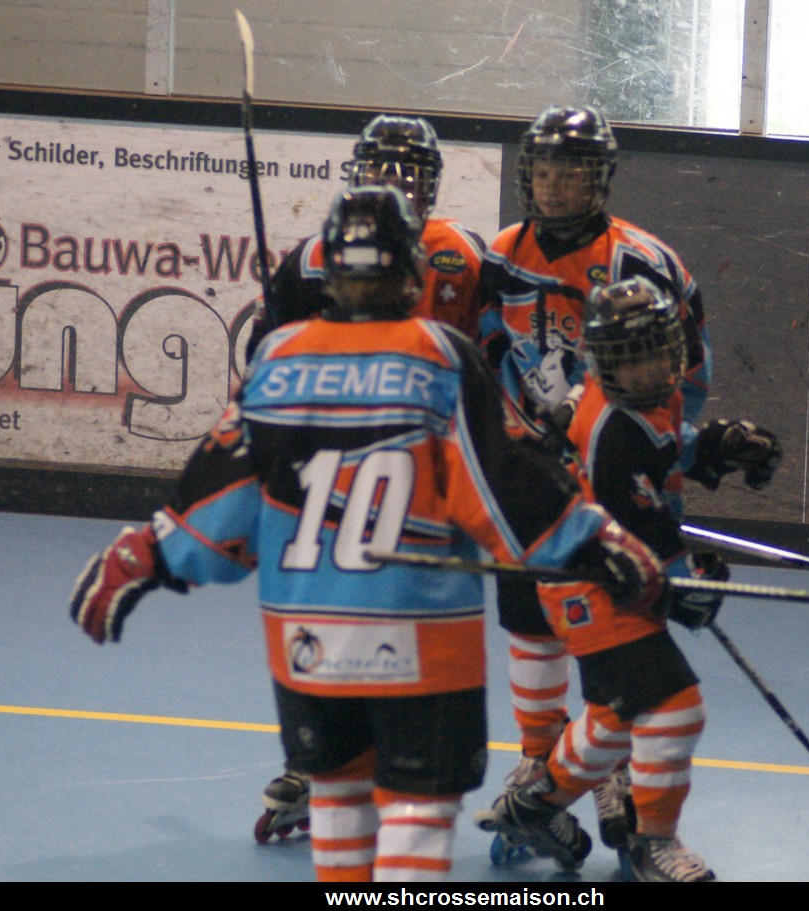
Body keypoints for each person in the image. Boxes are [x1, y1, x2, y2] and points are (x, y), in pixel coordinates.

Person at [68, 185, 669, 883]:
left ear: (331, 273)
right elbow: (500, 484)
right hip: (419, 639)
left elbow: (222, 496)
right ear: (411, 273)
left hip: (306, 642)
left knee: (338, 798)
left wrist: (144, 555)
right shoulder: (439, 353)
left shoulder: (280, 355)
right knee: (417, 809)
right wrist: (597, 544)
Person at [482, 276, 781, 881]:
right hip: (590, 584)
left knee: (615, 720)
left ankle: (533, 806)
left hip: (610, 573)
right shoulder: (608, 430)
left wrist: (720, 445)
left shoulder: (647, 399)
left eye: (658, 353)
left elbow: (669, 447)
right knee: (676, 708)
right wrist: (689, 584)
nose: (649, 370)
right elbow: (644, 533)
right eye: (631, 359)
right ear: (603, 362)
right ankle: (653, 844)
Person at [474, 104, 715, 847]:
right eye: (543, 171)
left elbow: (685, 371)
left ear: (600, 179)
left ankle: (610, 766)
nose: (554, 187)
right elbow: (485, 346)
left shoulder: (642, 263)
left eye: (571, 173)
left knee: (617, 628)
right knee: (529, 619)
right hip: (530, 474)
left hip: (607, 473)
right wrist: (510, 438)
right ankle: (540, 762)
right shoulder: (502, 253)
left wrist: (664, 448)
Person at [247, 113, 489, 841]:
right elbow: (264, 357)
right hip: (337, 467)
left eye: (409, 172)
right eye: (382, 169)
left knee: (403, 613)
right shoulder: (311, 258)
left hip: (426, 470)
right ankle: (332, 760)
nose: (394, 183)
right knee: (337, 604)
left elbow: (497, 351)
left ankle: (395, 764)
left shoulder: (463, 254)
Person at [248, 113, 486, 353]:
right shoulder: (311, 257)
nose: (389, 193)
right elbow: (264, 348)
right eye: (377, 178)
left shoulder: (461, 251)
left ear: (429, 186)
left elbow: (487, 349)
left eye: (406, 182)